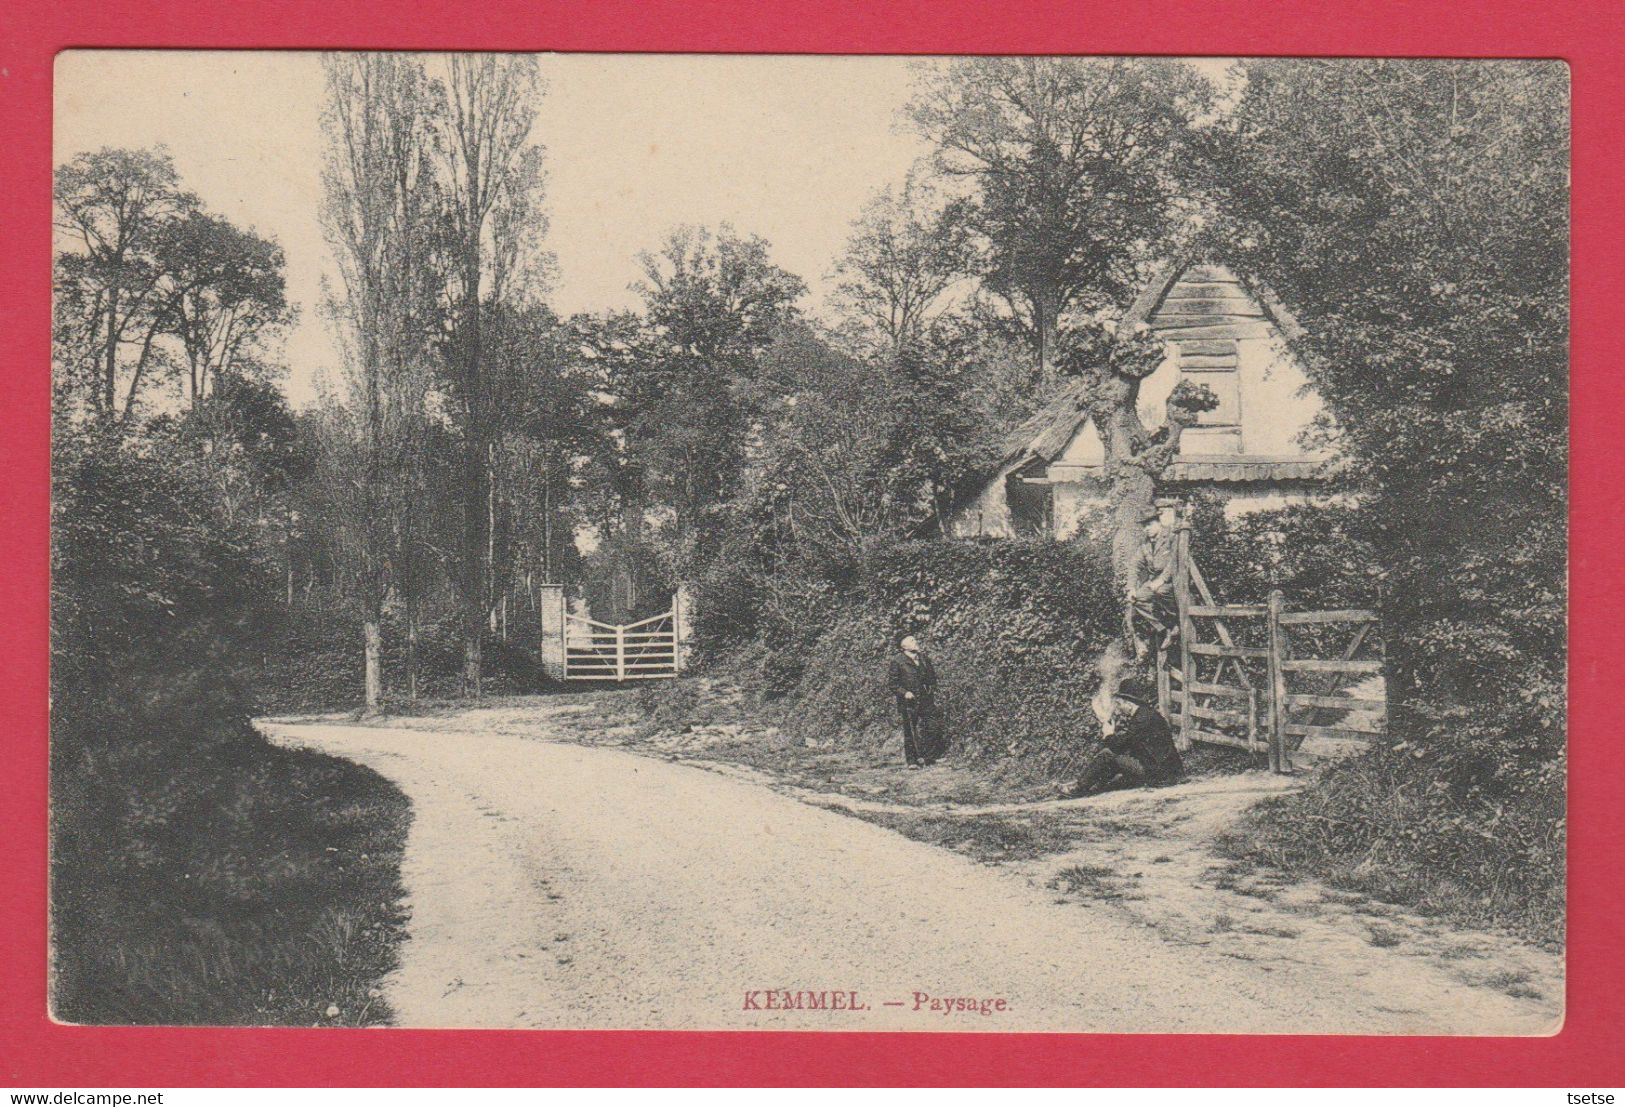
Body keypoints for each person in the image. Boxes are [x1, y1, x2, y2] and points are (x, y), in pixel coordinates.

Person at [1063, 676, 1183, 797]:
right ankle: (1089, 785)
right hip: (1165, 769)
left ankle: (1078, 788)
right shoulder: (1146, 714)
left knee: (1107, 754)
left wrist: (1108, 735)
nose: (1119, 707)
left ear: (1129, 703)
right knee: (1115, 761)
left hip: (1159, 773)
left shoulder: (1142, 719)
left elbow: (1120, 747)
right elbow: (1130, 744)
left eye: (1120, 704)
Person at [1129, 502, 1179, 659]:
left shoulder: (1171, 536)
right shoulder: (1145, 544)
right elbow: (1134, 565)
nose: (1146, 529)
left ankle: (1175, 624)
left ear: (1158, 522)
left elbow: (1175, 560)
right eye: (1144, 526)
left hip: (1173, 580)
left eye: (1149, 524)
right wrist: (1131, 587)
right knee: (1137, 599)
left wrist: (1163, 579)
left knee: (1160, 590)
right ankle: (1164, 629)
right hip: (1154, 582)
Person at [886, 634, 942, 768]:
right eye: (912, 641)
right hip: (909, 702)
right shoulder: (897, 661)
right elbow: (893, 684)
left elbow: (932, 677)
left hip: (926, 699)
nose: (915, 642)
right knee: (910, 731)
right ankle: (912, 761)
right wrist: (905, 693)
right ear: (904, 646)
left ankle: (929, 757)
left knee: (933, 727)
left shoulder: (923, 659)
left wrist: (931, 689)